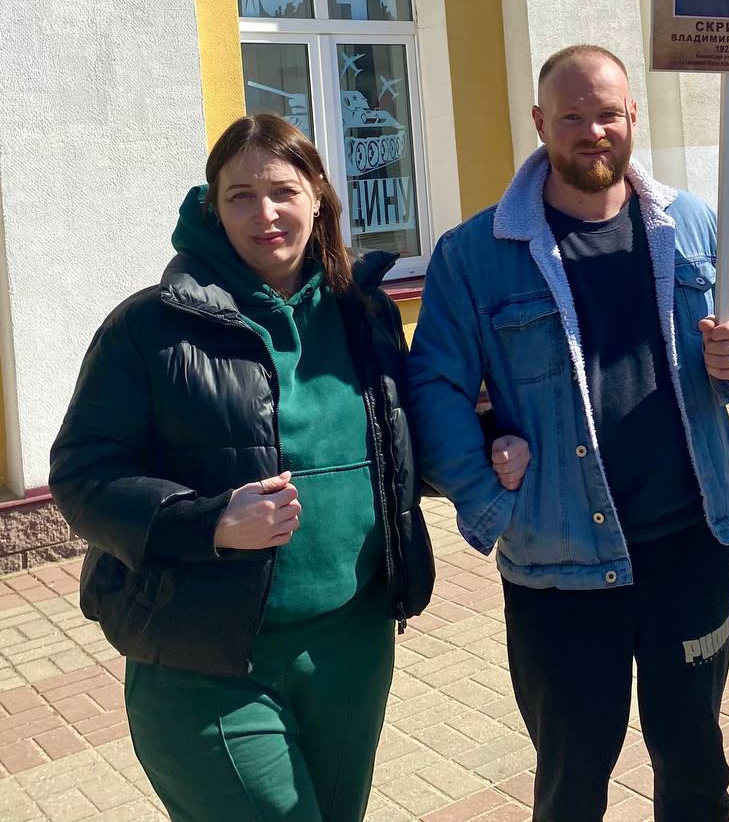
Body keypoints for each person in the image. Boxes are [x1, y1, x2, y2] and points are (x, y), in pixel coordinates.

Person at [48, 113, 504, 822]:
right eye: (241, 196)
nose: (265, 213)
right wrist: (206, 522)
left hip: (350, 648)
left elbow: (401, 443)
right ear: (213, 208)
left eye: (283, 191)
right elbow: (82, 474)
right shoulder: (149, 327)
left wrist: (492, 440)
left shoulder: (364, 313)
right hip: (205, 657)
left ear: (318, 195)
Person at [407, 44, 729, 822]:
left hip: (690, 548)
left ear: (633, 114)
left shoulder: (691, 223)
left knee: (697, 771)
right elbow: (433, 388)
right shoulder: (475, 255)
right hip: (559, 567)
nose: (593, 131)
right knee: (571, 786)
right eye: (572, 117)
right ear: (540, 123)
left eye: (607, 114)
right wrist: (487, 496)